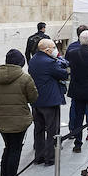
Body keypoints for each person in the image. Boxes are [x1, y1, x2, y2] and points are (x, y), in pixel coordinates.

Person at [0, 50, 36, 176]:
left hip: (2, 119)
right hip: (20, 120)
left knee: (8, 148)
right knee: (15, 149)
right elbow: (33, 97)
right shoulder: (25, 78)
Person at [28, 38, 69, 166]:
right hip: (50, 101)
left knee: (39, 129)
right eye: (53, 47)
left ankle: (39, 156)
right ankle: (50, 157)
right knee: (52, 130)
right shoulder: (49, 62)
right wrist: (59, 59)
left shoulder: (34, 59)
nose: (55, 49)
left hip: (36, 100)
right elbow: (63, 74)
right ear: (47, 50)